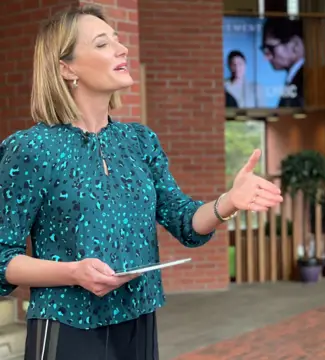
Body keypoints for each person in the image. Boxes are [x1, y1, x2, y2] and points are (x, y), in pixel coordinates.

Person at [0, 6, 283, 359]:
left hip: (139, 322)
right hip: (67, 327)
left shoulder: (139, 141)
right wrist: (73, 272)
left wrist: (228, 201)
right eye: (103, 44)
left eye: (119, 40)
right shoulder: (30, 149)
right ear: (66, 67)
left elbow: (185, 221)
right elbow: (2, 259)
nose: (123, 49)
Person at [261, 17, 305, 108]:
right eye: (264, 50)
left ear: (295, 45)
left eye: (270, 48)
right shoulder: (297, 78)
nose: (266, 58)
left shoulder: (306, 81)